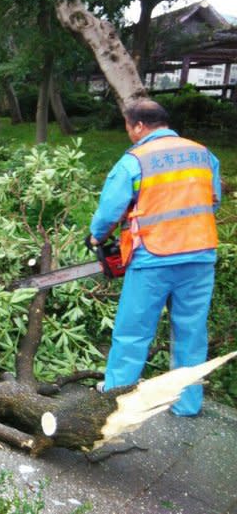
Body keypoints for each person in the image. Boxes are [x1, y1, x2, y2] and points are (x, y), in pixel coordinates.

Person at [89, 99, 220, 416]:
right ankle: (187, 405)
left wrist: (96, 237)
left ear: (137, 126)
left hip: (154, 257)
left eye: (128, 127)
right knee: (191, 331)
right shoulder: (203, 154)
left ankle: (117, 401)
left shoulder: (135, 160)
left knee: (133, 332)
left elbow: (110, 211)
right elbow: (213, 201)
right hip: (200, 255)